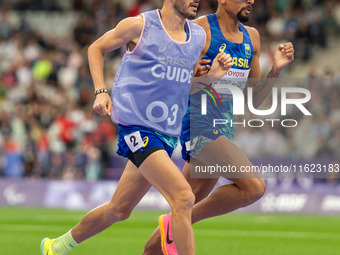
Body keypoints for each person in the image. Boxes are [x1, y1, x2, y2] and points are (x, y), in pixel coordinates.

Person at [40, 1, 233, 255]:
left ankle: (56, 247)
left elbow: (182, 84)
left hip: (167, 134)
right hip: (137, 129)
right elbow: (96, 47)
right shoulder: (140, 26)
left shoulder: (197, 37)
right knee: (184, 198)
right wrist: (101, 91)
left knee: (119, 209)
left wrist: (211, 77)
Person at [143, 0, 295, 254]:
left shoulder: (252, 38)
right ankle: (175, 224)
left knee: (183, 206)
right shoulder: (198, 30)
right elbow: (173, 82)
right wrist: (204, 76)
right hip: (199, 126)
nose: (251, 1)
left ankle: (160, 240)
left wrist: (275, 70)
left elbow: (252, 100)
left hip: (222, 129)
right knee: (254, 188)